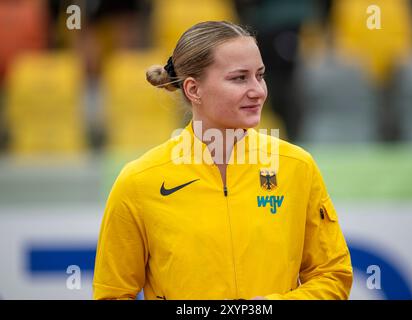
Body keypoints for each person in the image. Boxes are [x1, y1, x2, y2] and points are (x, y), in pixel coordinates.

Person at [93, 20, 353, 300]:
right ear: (193, 90)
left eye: (260, 75)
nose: (258, 90)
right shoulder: (138, 182)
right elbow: (113, 294)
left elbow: (333, 275)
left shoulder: (297, 166)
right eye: (239, 78)